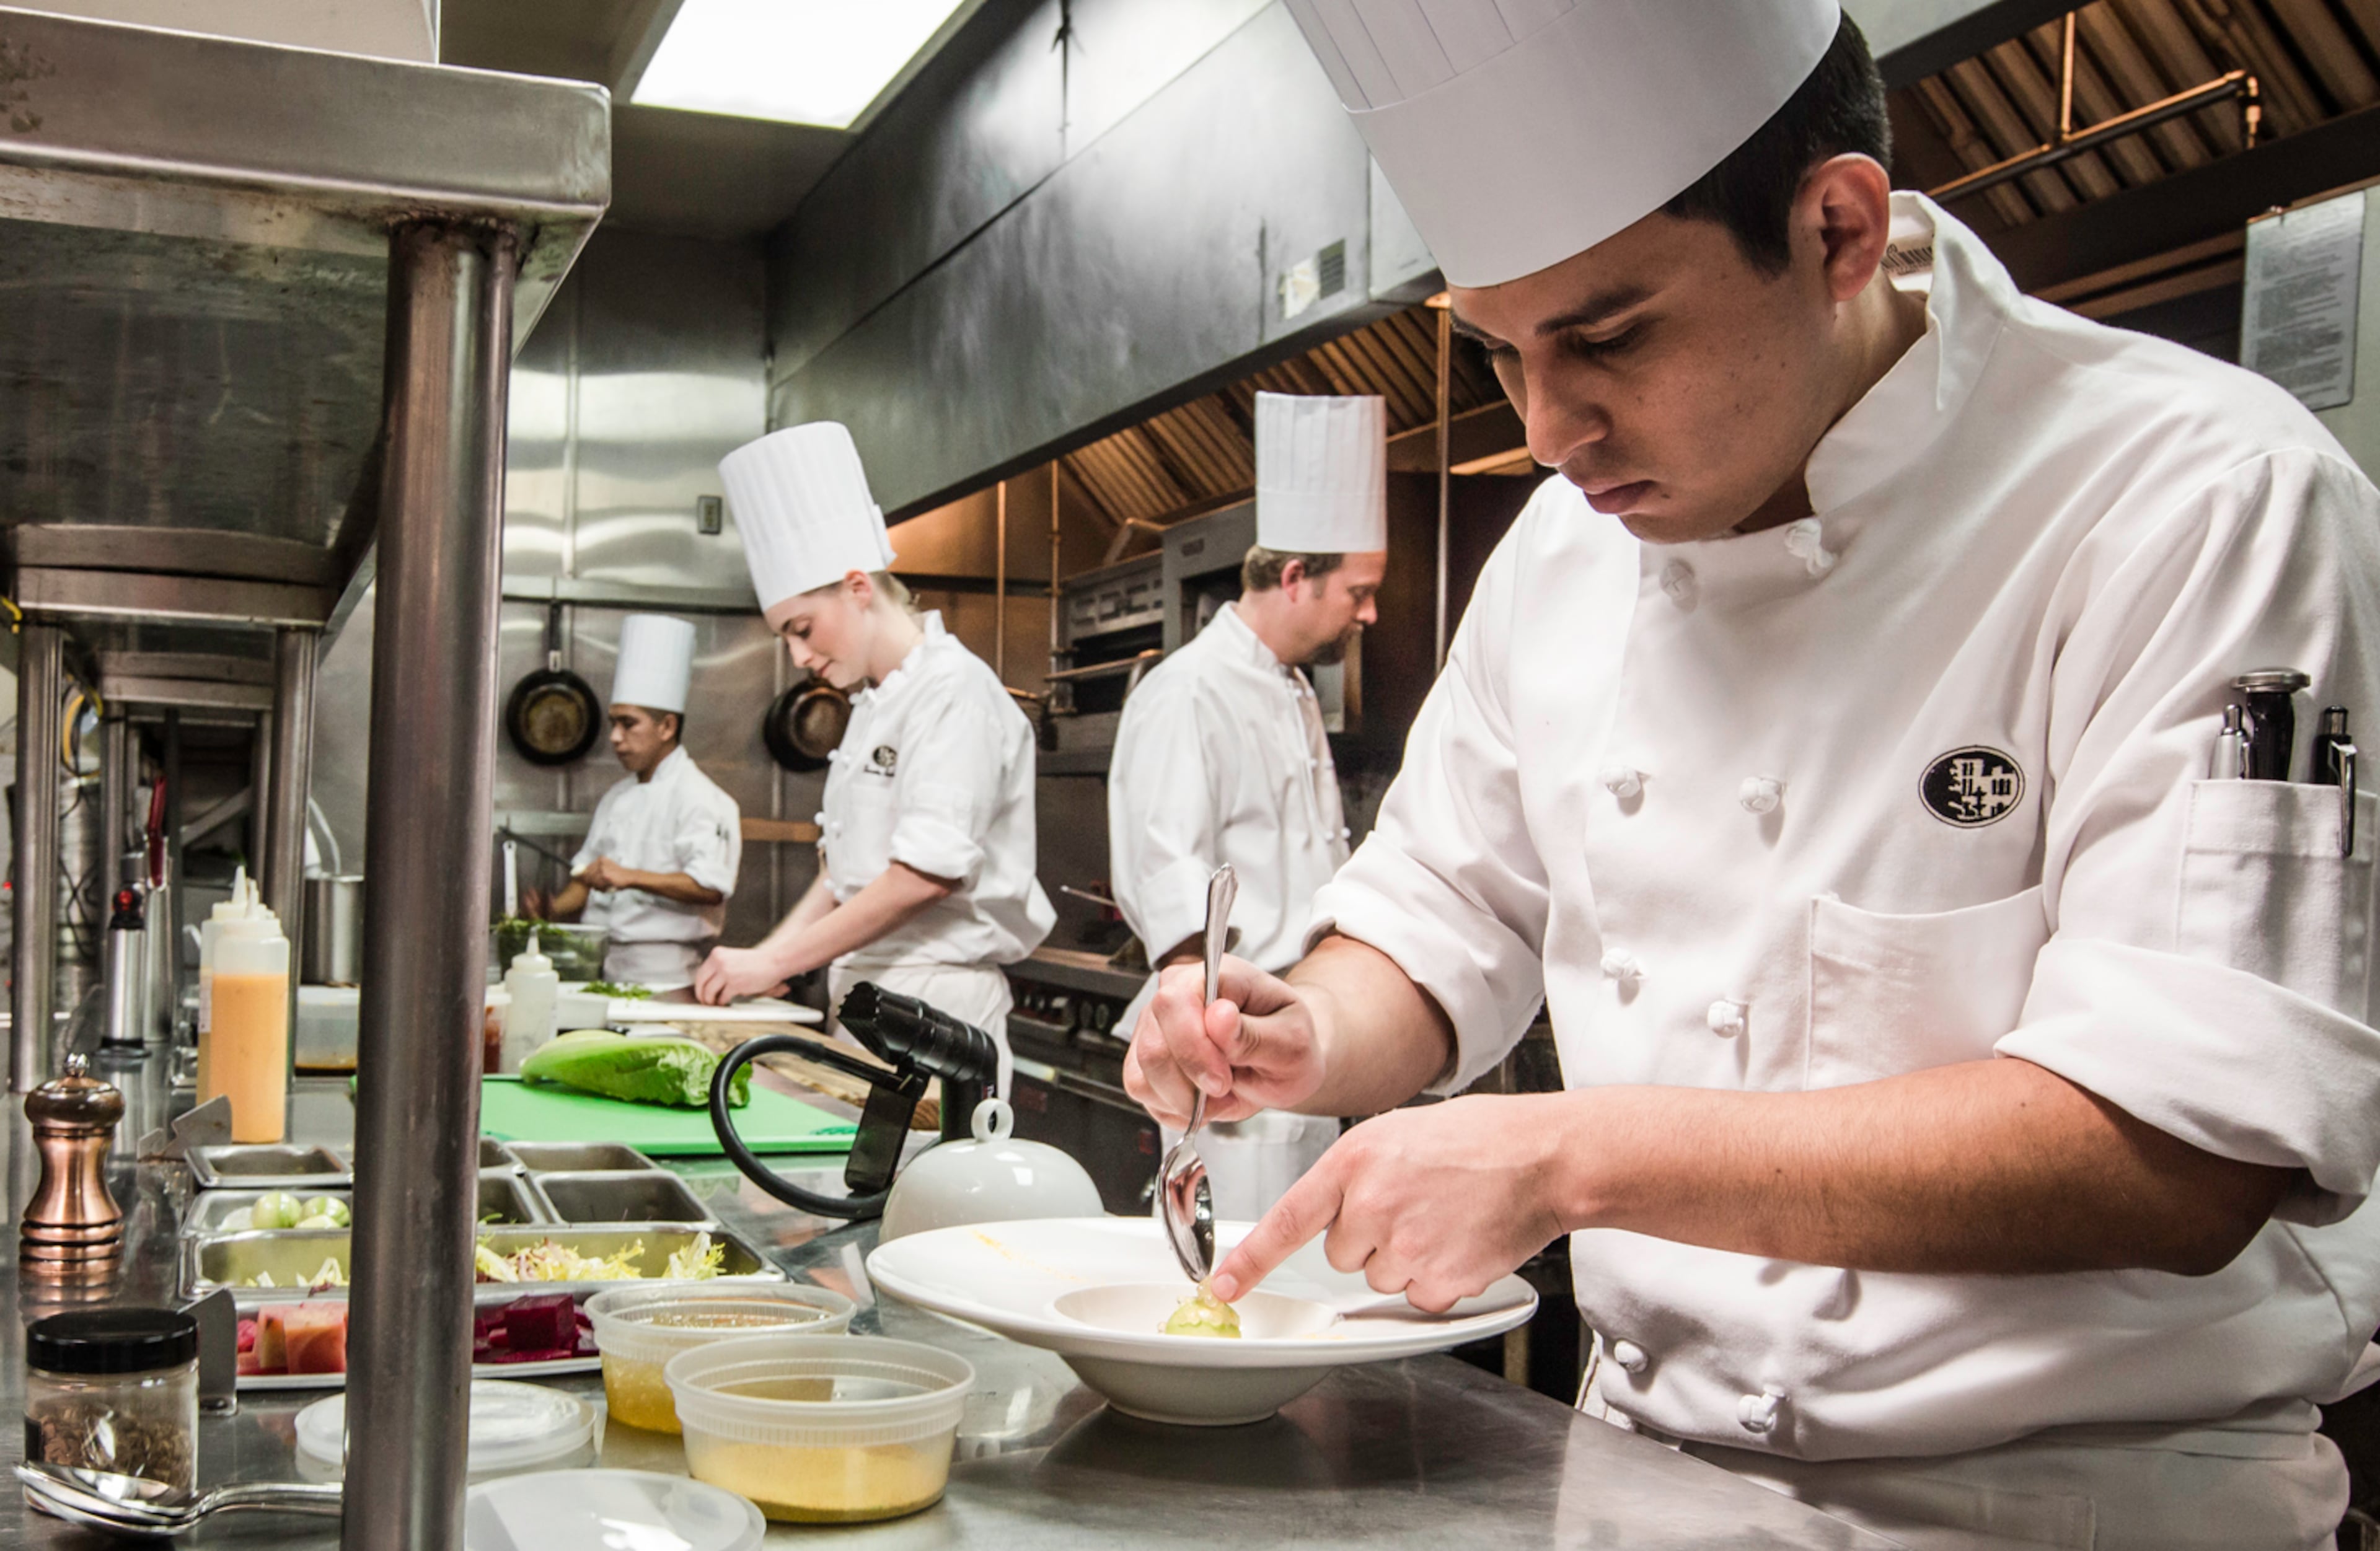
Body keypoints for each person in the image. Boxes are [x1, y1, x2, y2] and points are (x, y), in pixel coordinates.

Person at [1126, 5, 2380, 1546]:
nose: (1546, 429)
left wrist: (1565, 1155)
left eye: (1607, 335)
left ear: (1836, 226)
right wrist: (1297, 1027)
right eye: (1501, 349)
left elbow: (2178, 1153)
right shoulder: (1561, 554)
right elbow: (1441, 916)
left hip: (2073, 1507)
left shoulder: (2191, 494)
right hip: (1638, 1486)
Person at [695, 421, 1053, 1092]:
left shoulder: (954, 691)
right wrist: (774, 958)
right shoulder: (873, 705)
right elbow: (848, 876)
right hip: (867, 1001)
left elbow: (922, 876)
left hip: (936, 1012)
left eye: (801, 630)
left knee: (913, 1195)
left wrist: (778, 959)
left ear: (858, 586)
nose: (799, 657)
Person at [1106, 392, 1386, 1219]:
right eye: (1359, 591)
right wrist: (1216, 1036)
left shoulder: (1293, 689)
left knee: (1303, 1282)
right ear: (1296, 577)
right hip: (1233, 1046)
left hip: (1302, 1030)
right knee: (1234, 1277)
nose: (1369, 613)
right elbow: (1168, 874)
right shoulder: (1188, 689)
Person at [526, 613, 740, 991]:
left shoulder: (701, 797)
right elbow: (587, 875)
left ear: (667, 727)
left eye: (629, 723)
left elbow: (711, 886)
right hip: (605, 967)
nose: (614, 737)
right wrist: (552, 910)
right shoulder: (617, 797)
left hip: (669, 975)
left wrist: (630, 876)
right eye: (613, 723)